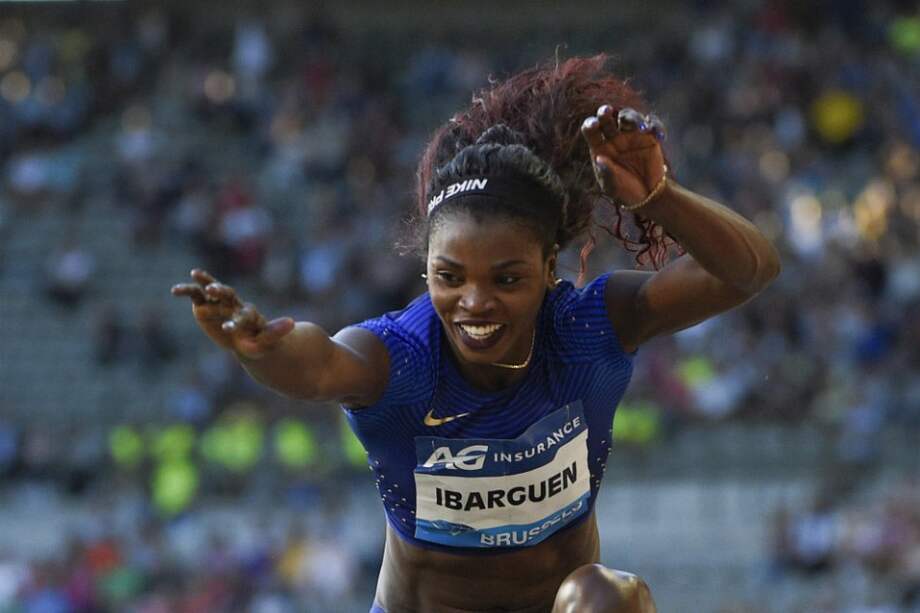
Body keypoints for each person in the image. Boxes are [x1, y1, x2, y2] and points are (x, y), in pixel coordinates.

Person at [172, 55, 780, 613]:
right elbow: (319, 365)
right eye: (450, 276)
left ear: (548, 269)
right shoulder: (402, 358)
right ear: (426, 271)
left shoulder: (590, 329)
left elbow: (750, 270)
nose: (474, 303)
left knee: (607, 598)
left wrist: (659, 196)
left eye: (507, 278)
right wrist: (264, 349)